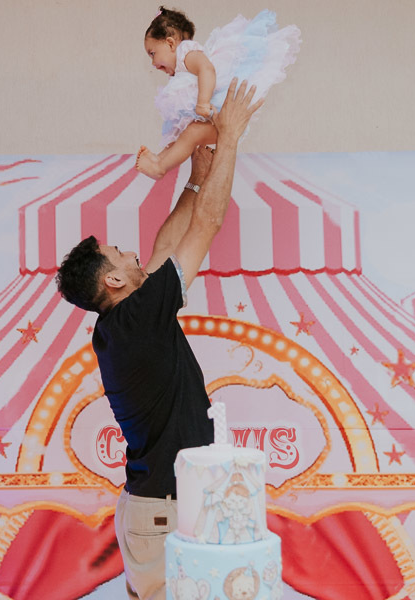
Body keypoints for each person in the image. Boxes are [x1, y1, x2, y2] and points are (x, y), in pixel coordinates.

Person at [56, 79, 263, 599]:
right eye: (121, 254)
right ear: (113, 282)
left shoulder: (121, 323)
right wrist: (232, 139)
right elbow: (207, 227)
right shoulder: (138, 318)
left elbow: (164, 248)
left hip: (156, 508)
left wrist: (195, 179)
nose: (131, 255)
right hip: (161, 513)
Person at [135, 7, 300, 180]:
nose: (153, 63)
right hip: (214, 120)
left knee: (189, 134)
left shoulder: (188, 53)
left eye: (153, 54)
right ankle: (159, 159)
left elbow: (207, 69)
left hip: (223, 121)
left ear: (170, 43)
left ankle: (160, 167)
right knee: (182, 135)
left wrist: (203, 102)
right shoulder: (182, 69)